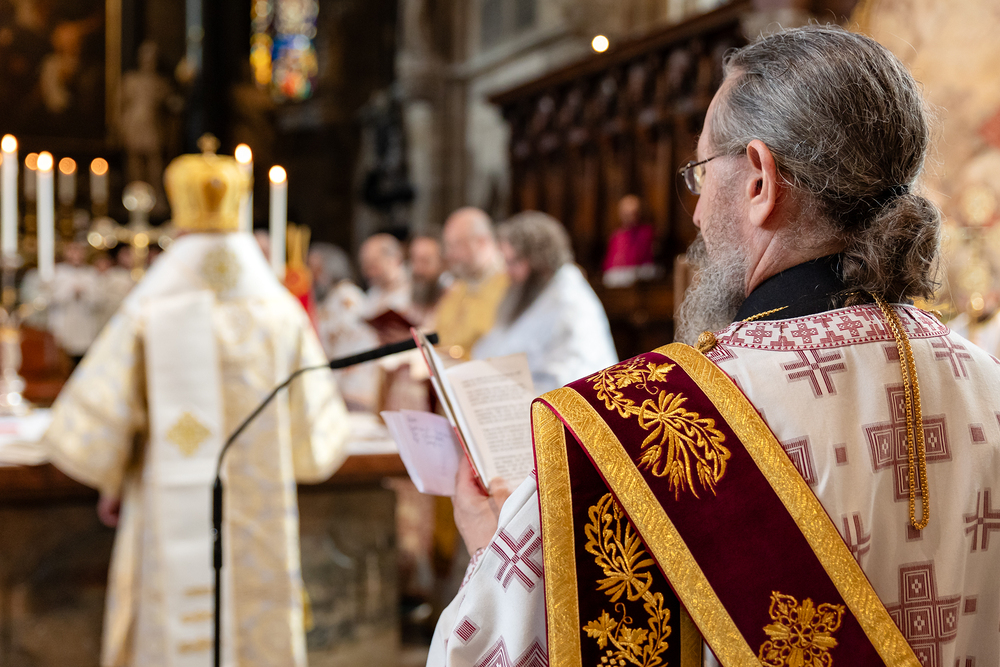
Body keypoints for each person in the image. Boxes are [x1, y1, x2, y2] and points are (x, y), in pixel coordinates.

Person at [430, 26, 1000, 667]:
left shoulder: (635, 429)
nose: (697, 214)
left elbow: (484, 650)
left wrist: (494, 544)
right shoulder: (989, 383)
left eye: (701, 174)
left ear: (760, 180)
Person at [42, 143, 350, 667]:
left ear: (181, 223)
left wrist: (115, 477)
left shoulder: (149, 309)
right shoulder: (279, 315)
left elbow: (94, 425)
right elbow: (317, 436)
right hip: (259, 505)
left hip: (168, 497)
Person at [472, 211, 618, 394]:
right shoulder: (533, 294)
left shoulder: (570, 303)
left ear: (539, 259)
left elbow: (570, 376)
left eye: (513, 262)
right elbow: (498, 344)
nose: (508, 272)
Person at [432, 207, 509, 361]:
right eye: (447, 246)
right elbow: (441, 336)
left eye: (456, 245)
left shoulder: (510, 284)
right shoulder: (458, 287)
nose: (449, 254)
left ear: (482, 242)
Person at [48, 240, 101, 364]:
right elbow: (51, 298)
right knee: (63, 355)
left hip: (84, 320)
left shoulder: (90, 273)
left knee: (84, 357)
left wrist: (85, 292)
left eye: (79, 251)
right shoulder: (58, 272)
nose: (76, 255)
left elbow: (98, 299)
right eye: (72, 251)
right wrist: (70, 290)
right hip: (65, 319)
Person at [602, 194, 656, 287]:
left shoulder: (646, 233)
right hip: (616, 281)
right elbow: (609, 264)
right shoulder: (616, 235)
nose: (629, 217)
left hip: (638, 281)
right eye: (626, 214)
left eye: (633, 213)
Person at [359, 232, 412, 320]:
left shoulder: (416, 288)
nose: (369, 273)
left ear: (395, 260)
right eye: (366, 267)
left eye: (374, 266)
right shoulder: (373, 292)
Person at [409, 235, 448, 323]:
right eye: (414, 260)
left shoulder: (453, 298)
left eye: (425, 261)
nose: (418, 269)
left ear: (442, 263)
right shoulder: (410, 292)